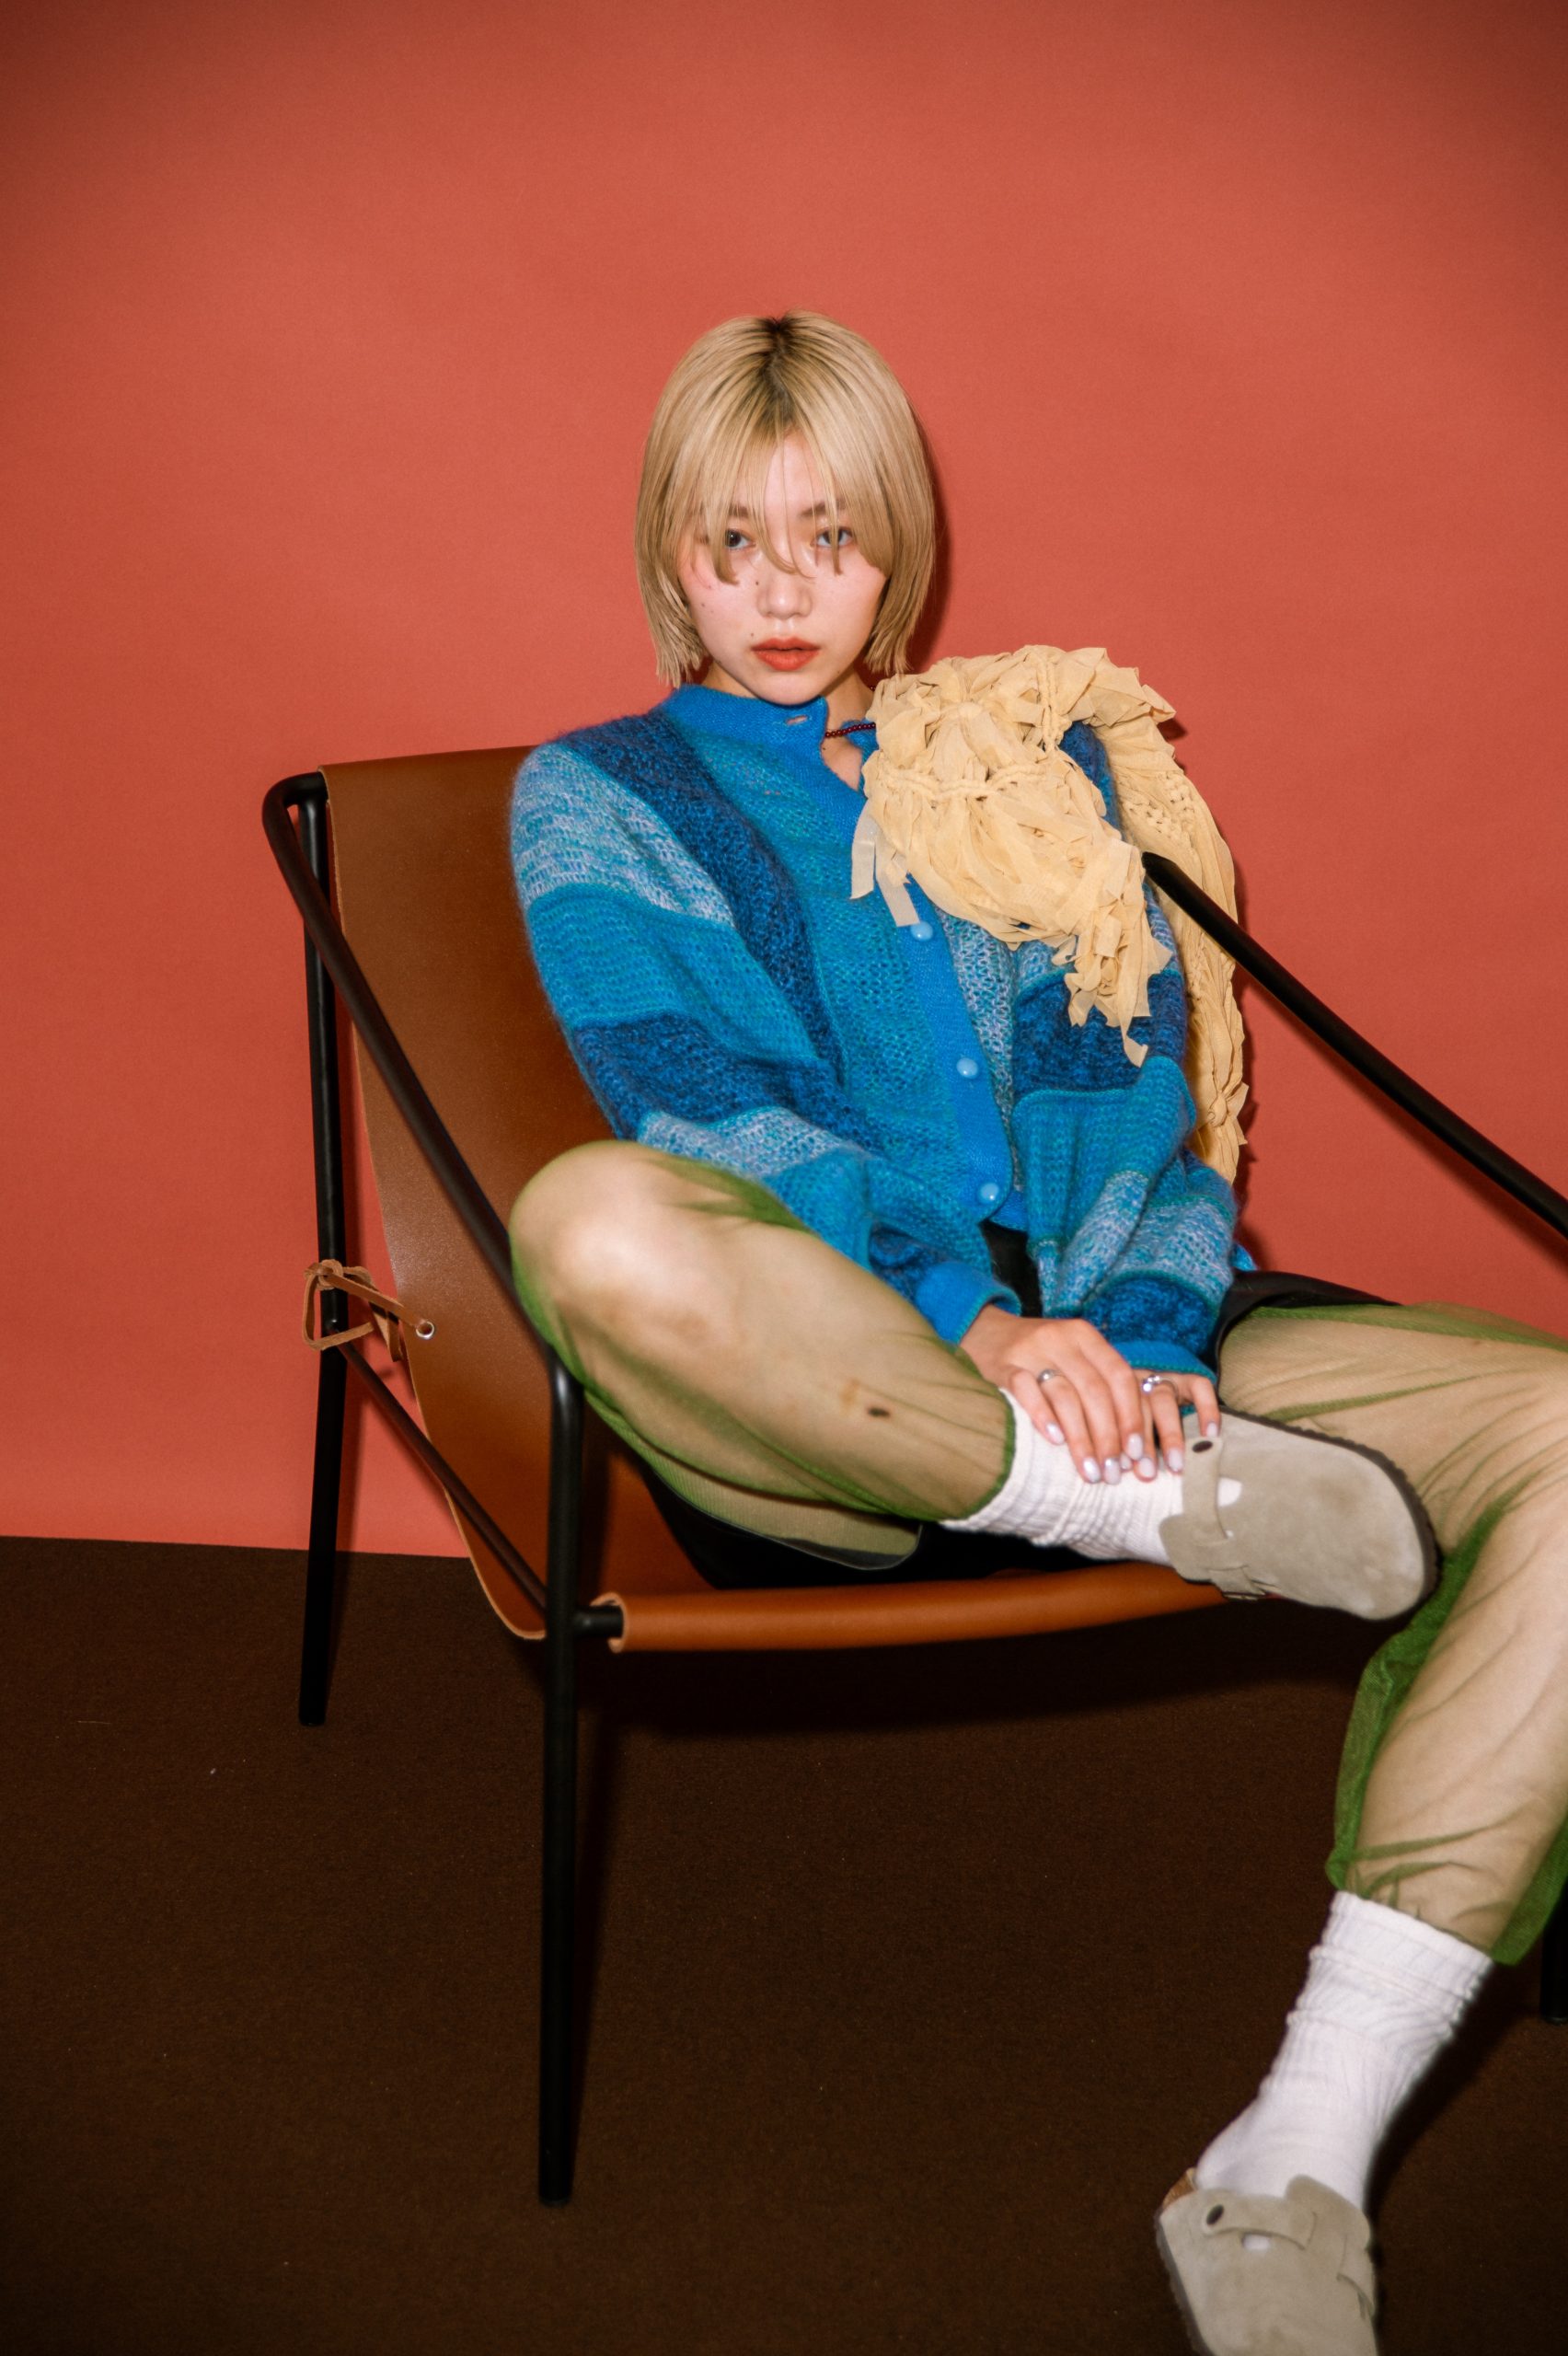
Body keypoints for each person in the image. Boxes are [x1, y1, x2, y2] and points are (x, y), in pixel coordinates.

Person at [506, 311, 1568, 2354]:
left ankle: (1297, 2157)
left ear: (896, 549)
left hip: (1129, 1339)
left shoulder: (1027, 766)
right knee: (593, 1218)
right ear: (671, 556)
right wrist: (974, 1329)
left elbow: (1143, 1105)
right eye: (735, 542)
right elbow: (709, 1113)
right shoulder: (600, 796)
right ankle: (1127, 1503)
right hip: (838, 1381)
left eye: (831, 536)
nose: (786, 590)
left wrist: (1142, 1329)